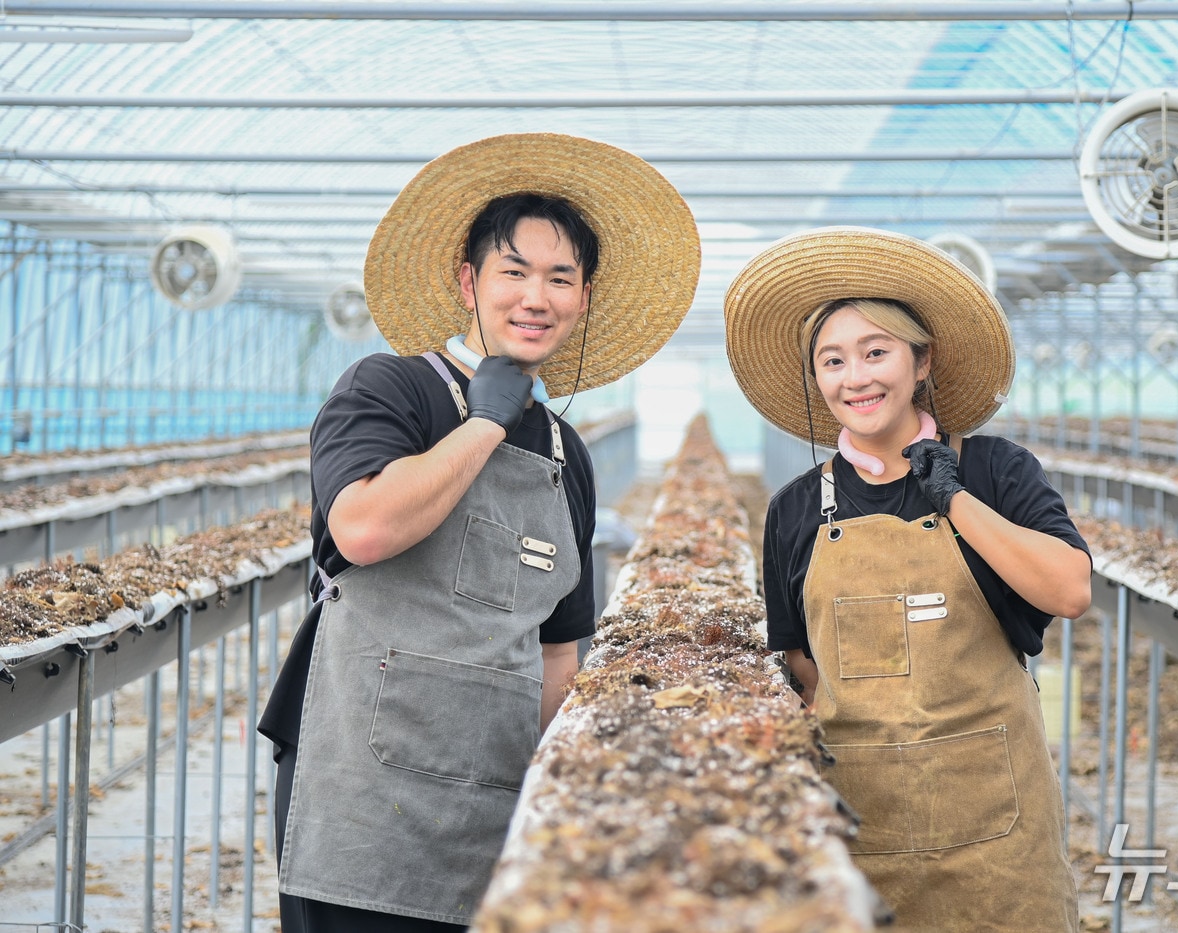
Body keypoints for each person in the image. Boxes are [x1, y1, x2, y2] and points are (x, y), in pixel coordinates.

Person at [257, 133, 700, 932]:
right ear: (470, 283)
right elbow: (361, 527)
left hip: (492, 801)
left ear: (585, 298)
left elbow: (558, 652)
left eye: (560, 277)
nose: (537, 296)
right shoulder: (392, 387)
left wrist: (558, 793)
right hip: (362, 799)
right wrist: (485, 421)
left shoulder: (569, 455)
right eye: (515, 272)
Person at [723, 226, 1091, 931]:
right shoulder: (798, 507)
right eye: (832, 360)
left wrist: (952, 497)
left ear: (921, 361)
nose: (854, 377)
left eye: (875, 352)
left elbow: (1069, 591)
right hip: (861, 827)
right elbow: (802, 664)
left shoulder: (994, 470)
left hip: (998, 833)